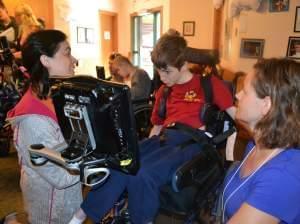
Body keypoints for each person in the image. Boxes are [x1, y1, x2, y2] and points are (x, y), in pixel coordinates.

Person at [70, 31, 235, 224]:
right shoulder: (164, 91)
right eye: (159, 71)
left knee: (143, 173)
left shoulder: (209, 84)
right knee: (121, 162)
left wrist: (230, 159)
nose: (162, 77)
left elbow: (236, 118)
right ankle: (79, 216)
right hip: (166, 138)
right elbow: (156, 126)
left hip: (193, 141)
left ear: (183, 65)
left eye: (167, 71)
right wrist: (144, 148)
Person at [6, 29, 81, 224]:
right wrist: (97, 160)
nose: (74, 59)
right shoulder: (33, 120)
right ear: (45, 60)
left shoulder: (54, 97)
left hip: (66, 200)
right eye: (67, 52)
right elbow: (59, 175)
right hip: (51, 206)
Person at [222, 58, 300, 223]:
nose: (237, 95)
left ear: (266, 105)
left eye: (245, 90)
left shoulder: (283, 176)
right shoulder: (254, 146)